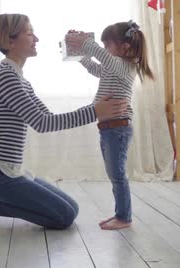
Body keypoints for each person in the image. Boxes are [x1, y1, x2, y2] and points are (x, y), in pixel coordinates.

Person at [0, 13, 128, 229]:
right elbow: (42, 124)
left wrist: (95, 109)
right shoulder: (6, 76)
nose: (37, 39)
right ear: (10, 41)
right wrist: (95, 111)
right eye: (30, 33)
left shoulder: (20, 78)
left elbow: (48, 119)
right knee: (64, 217)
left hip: (9, 168)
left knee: (72, 208)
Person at [65, 20, 154, 230]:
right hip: (108, 128)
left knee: (118, 175)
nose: (104, 50)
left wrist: (86, 42)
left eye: (108, 45)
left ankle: (124, 217)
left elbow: (106, 60)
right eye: (103, 46)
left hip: (118, 128)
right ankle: (120, 213)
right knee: (114, 174)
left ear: (124, 47)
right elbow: (95, 68)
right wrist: (79, 52)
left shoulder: (125, 66)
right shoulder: (113, 67)